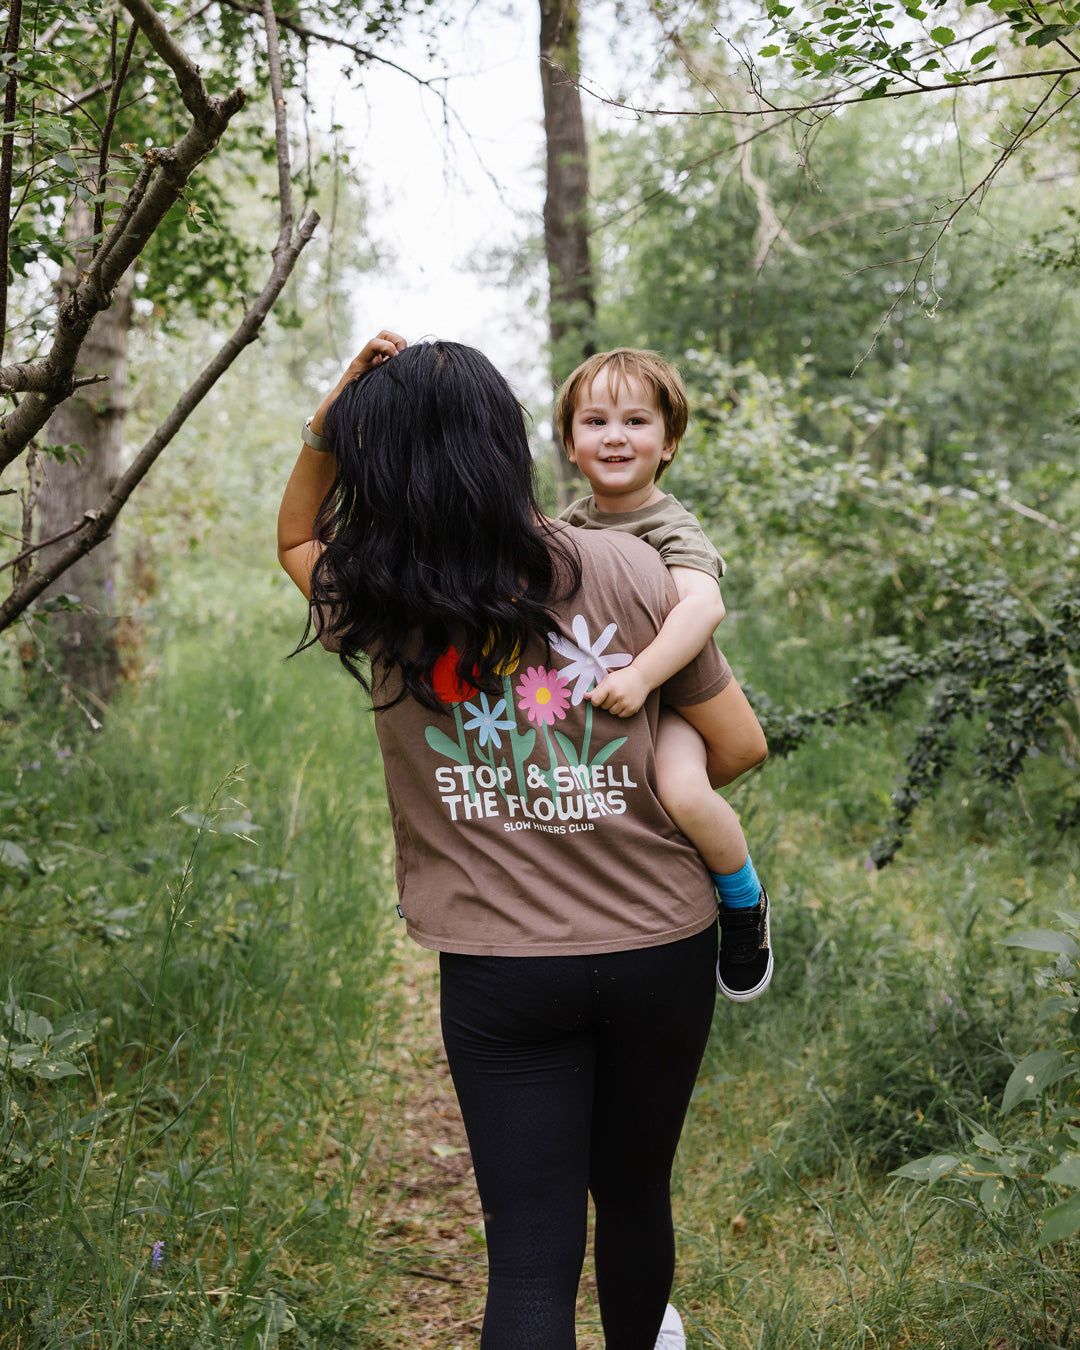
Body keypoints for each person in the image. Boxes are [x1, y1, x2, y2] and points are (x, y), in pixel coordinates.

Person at [276, 331, 768, 1350]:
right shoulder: (631, 566)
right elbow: (740, 744)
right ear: (512, 443)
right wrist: (600, 790)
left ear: (375, 465)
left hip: (500, 970)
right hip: (658, 946)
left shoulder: (378, 593)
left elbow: (291, 539)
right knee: (634, 1196)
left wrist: (328, 422)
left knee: (531, 1258)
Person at [554, 348, 772, 1002]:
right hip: (596, 689)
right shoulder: (569, 525)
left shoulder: (668, 524)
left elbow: (703, 605)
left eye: (636, 421)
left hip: (671, 699)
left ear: (669, 441)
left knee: (678, 791)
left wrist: (646, 676)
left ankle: (742, 901)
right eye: (594, 421)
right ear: (570, 443)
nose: (614, 436)